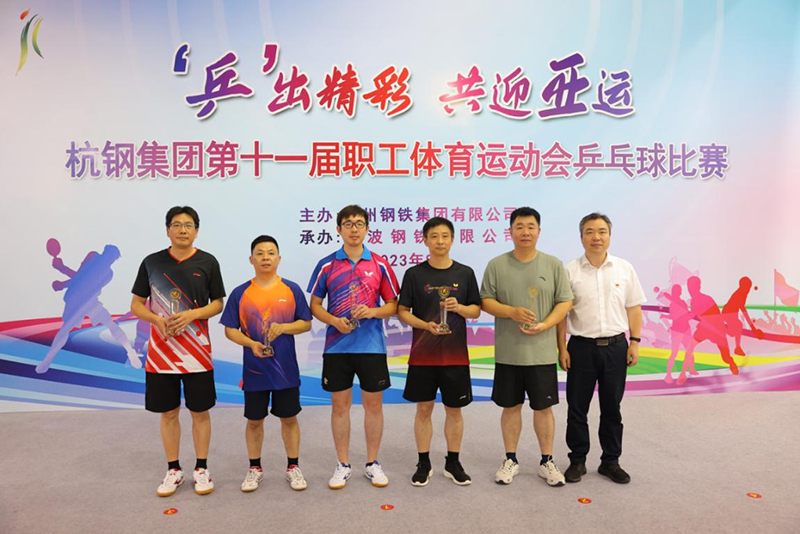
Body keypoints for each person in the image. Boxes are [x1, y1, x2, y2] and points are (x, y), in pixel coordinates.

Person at [130, 206, 225, 497]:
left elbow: (218, 304)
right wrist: (156, 320)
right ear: (167, 230)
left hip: (197, 353)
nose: (183, 229)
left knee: (200, 412)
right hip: (161, 354)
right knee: (169, 413)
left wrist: (193, 314)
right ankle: (173, 469)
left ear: (196, 230)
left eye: (188, 225)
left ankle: (201, 468)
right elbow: (136, 304)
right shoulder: (152, 262)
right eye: (177, 224)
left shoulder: (207, 262)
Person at [307, 205, 400, 489]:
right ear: (338, 229)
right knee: (340, 407)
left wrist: (372, 312)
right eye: (348, 224)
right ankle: (343, 464)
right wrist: (334, 321)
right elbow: (314, 305)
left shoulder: (380, 264)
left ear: (367, 229)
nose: (354, 229)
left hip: (372, 347)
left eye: (359, 223)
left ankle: (372, 463)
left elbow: (393, 306)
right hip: (337, 348)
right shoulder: (326, 265)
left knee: (373, 406)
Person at [480, 207, 573, 487]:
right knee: (511, 407)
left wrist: (545, 326)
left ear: (539, 231)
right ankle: (510, 459)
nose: (525, 232)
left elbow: (565, 302)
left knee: (544, 409)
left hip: (542, 353)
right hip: (509, 352)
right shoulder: (496, 264)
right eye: (519, 227)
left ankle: (547, 461)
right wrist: (511, 312)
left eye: (531, 227)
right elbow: (486, 301)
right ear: (510, 231)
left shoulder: (553, 264)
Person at [557, 213, 645, 484]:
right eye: (590, 232)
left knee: (612, 408)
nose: (596, 237)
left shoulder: (624, 268)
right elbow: (561, 315)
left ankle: (610, 461)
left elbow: (634, 308)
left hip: (616, 348)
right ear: (581, 236)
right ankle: (577, 460)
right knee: (577, 408)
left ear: (609, 235)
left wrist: (635, 342)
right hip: (581, 348)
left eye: (602, 231)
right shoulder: (569, 271)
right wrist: (562, 348)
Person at [221, 235, 312, 492]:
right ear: (251, 259)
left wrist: (283, 327)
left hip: (285, 370)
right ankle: (254, 468)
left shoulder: (291, 289)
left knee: (289, 418)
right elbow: (230, 329)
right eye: (260, 253)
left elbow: (305, 323)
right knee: (254, 420)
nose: (265, 257)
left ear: (279, 258)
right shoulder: (241, 293)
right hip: (254, 370)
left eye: (271, 253)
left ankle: (293, 466)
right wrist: (251, 343)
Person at [397, 217, 481, 487]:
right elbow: (402, 312)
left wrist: (459, 308)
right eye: (434, 236)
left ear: (453, 239)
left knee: (454, 410)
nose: (440, 241)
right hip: (423, 355)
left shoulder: (465, 273)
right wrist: (425, 326)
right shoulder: (414, 274)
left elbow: (476, 311)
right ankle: (423, 462)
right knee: (424, 408)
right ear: (425, 240)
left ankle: (453, 462)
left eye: (445, 236)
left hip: (455, 356)